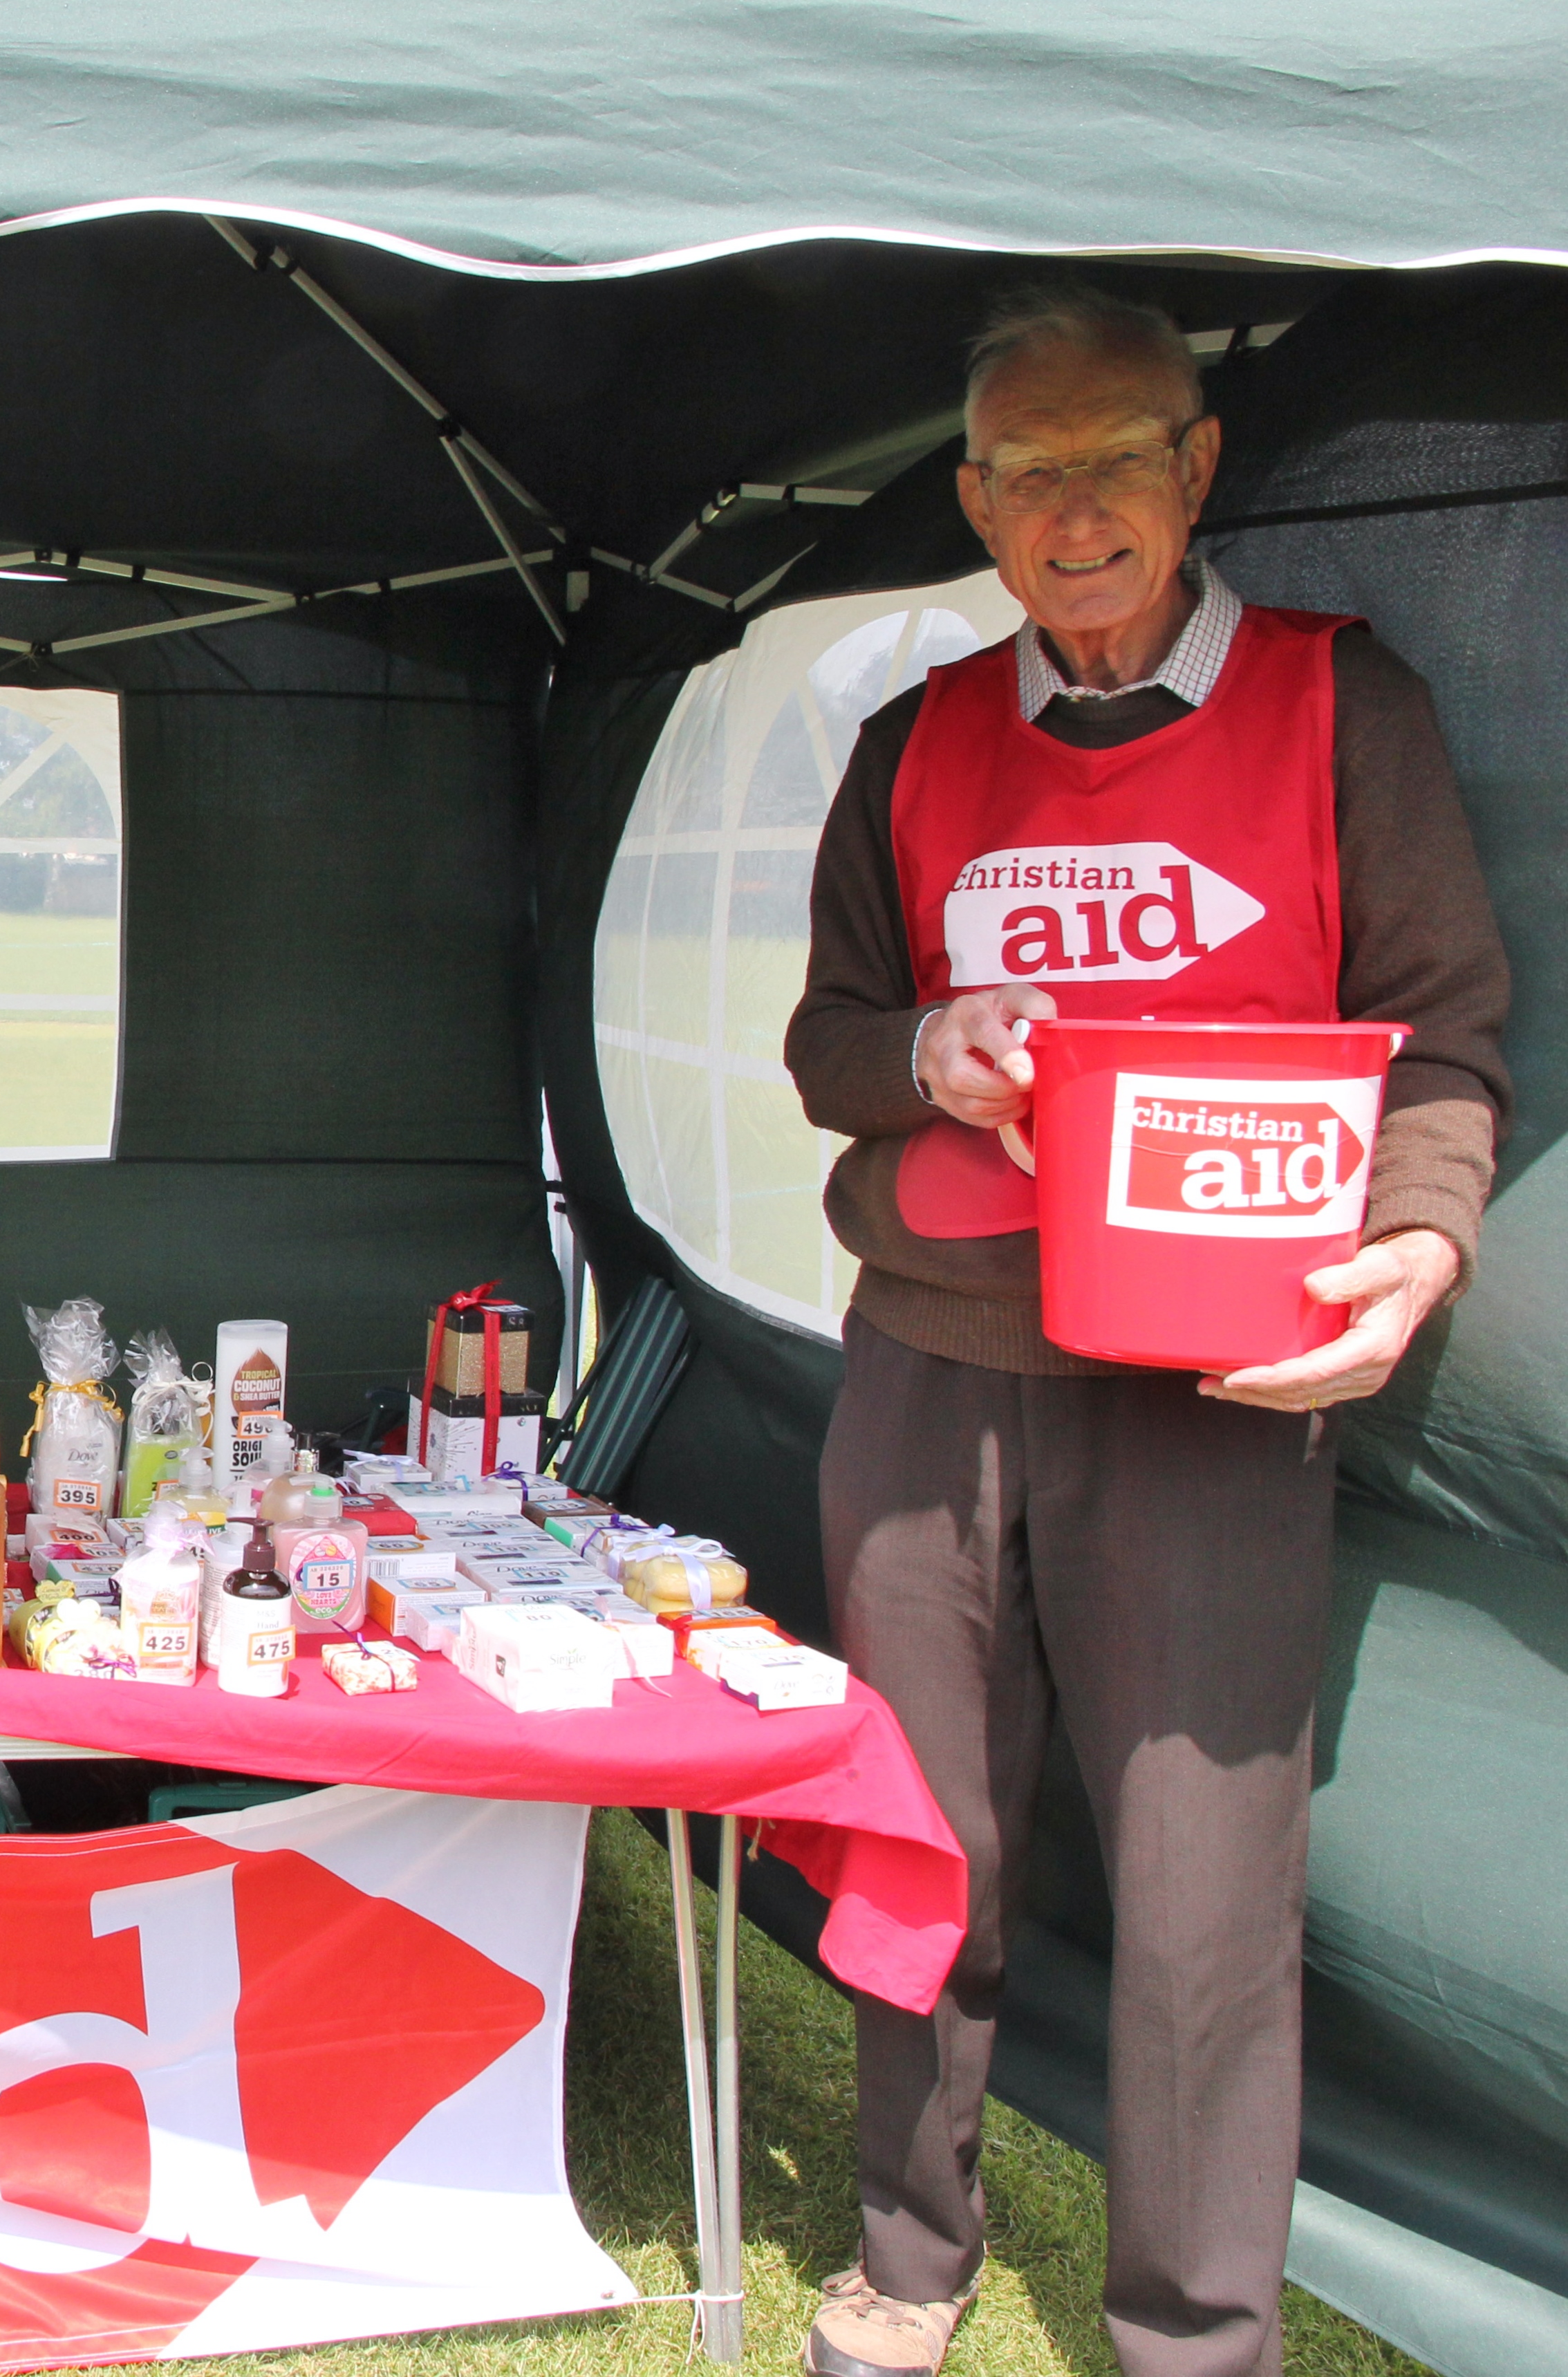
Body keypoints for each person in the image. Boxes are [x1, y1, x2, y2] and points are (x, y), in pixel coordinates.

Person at [784, 288, 1507, 2377]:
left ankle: (1193, 2336)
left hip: (1207, 1386)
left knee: (1201, 1909)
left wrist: (1416, 1250)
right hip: (924, 1363)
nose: (1070, 507)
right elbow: (825, 1041)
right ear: (971, 503)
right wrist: (925, 1044)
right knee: (920, 1847)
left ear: (1197, 473)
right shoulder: (909, 736)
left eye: (1115, 457)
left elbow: (1442, 1038)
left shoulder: (1333, 711)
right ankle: (907, 2266)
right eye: (1024, 470)